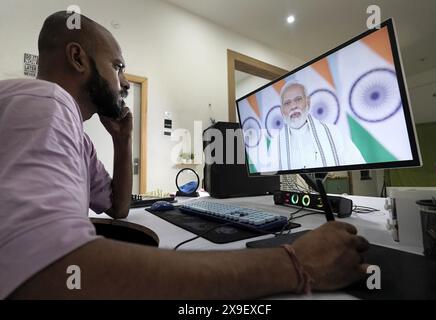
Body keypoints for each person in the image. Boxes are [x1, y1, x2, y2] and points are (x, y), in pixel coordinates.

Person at [0, 11, 370, 299]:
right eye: (117, 67)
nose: (125, 82)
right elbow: (57, 277)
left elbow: (117, 208)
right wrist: (294, 263)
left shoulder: (69, 131)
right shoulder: (46, 103)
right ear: (78, 58)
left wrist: (123, 140)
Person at [271, 81, 365, 170]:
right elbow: (269, 176)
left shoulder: (332, 132)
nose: (293, 106)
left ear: (308, 102)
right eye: (287, 103)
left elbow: (358, 165)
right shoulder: (276, 143)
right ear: (282, 110)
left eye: (298, 99)